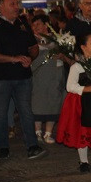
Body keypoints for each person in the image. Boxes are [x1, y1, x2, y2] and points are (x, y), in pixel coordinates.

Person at [0, 0, 47, 160]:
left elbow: (33, 47)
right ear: (1, 6)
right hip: (1, 78)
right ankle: (3, 147)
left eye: (17, 3)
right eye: (12, 4)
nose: (16, 7)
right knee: (1, 113)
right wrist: (13, 59)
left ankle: (32, 146)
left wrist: (30, 59)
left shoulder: (23, 24)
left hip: (23, 77)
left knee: (26, 111)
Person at [56, 33, 91, 174]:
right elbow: (70, 86)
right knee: (82, 132)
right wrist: (88, 89)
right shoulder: (77, 67)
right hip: (82, 104)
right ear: (83, 47)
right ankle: (84, 161)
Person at [30, 14, 70, 144]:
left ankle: (48, 133)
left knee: (53, 101)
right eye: (34, 25)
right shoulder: (30, 40)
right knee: (37, 102)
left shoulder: (57, 39)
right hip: (37, 77)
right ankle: (37, 132)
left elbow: (65, 56)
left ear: (46, 25)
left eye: (38, 24)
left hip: (54, 76)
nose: (36, 27)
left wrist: (62, 56)